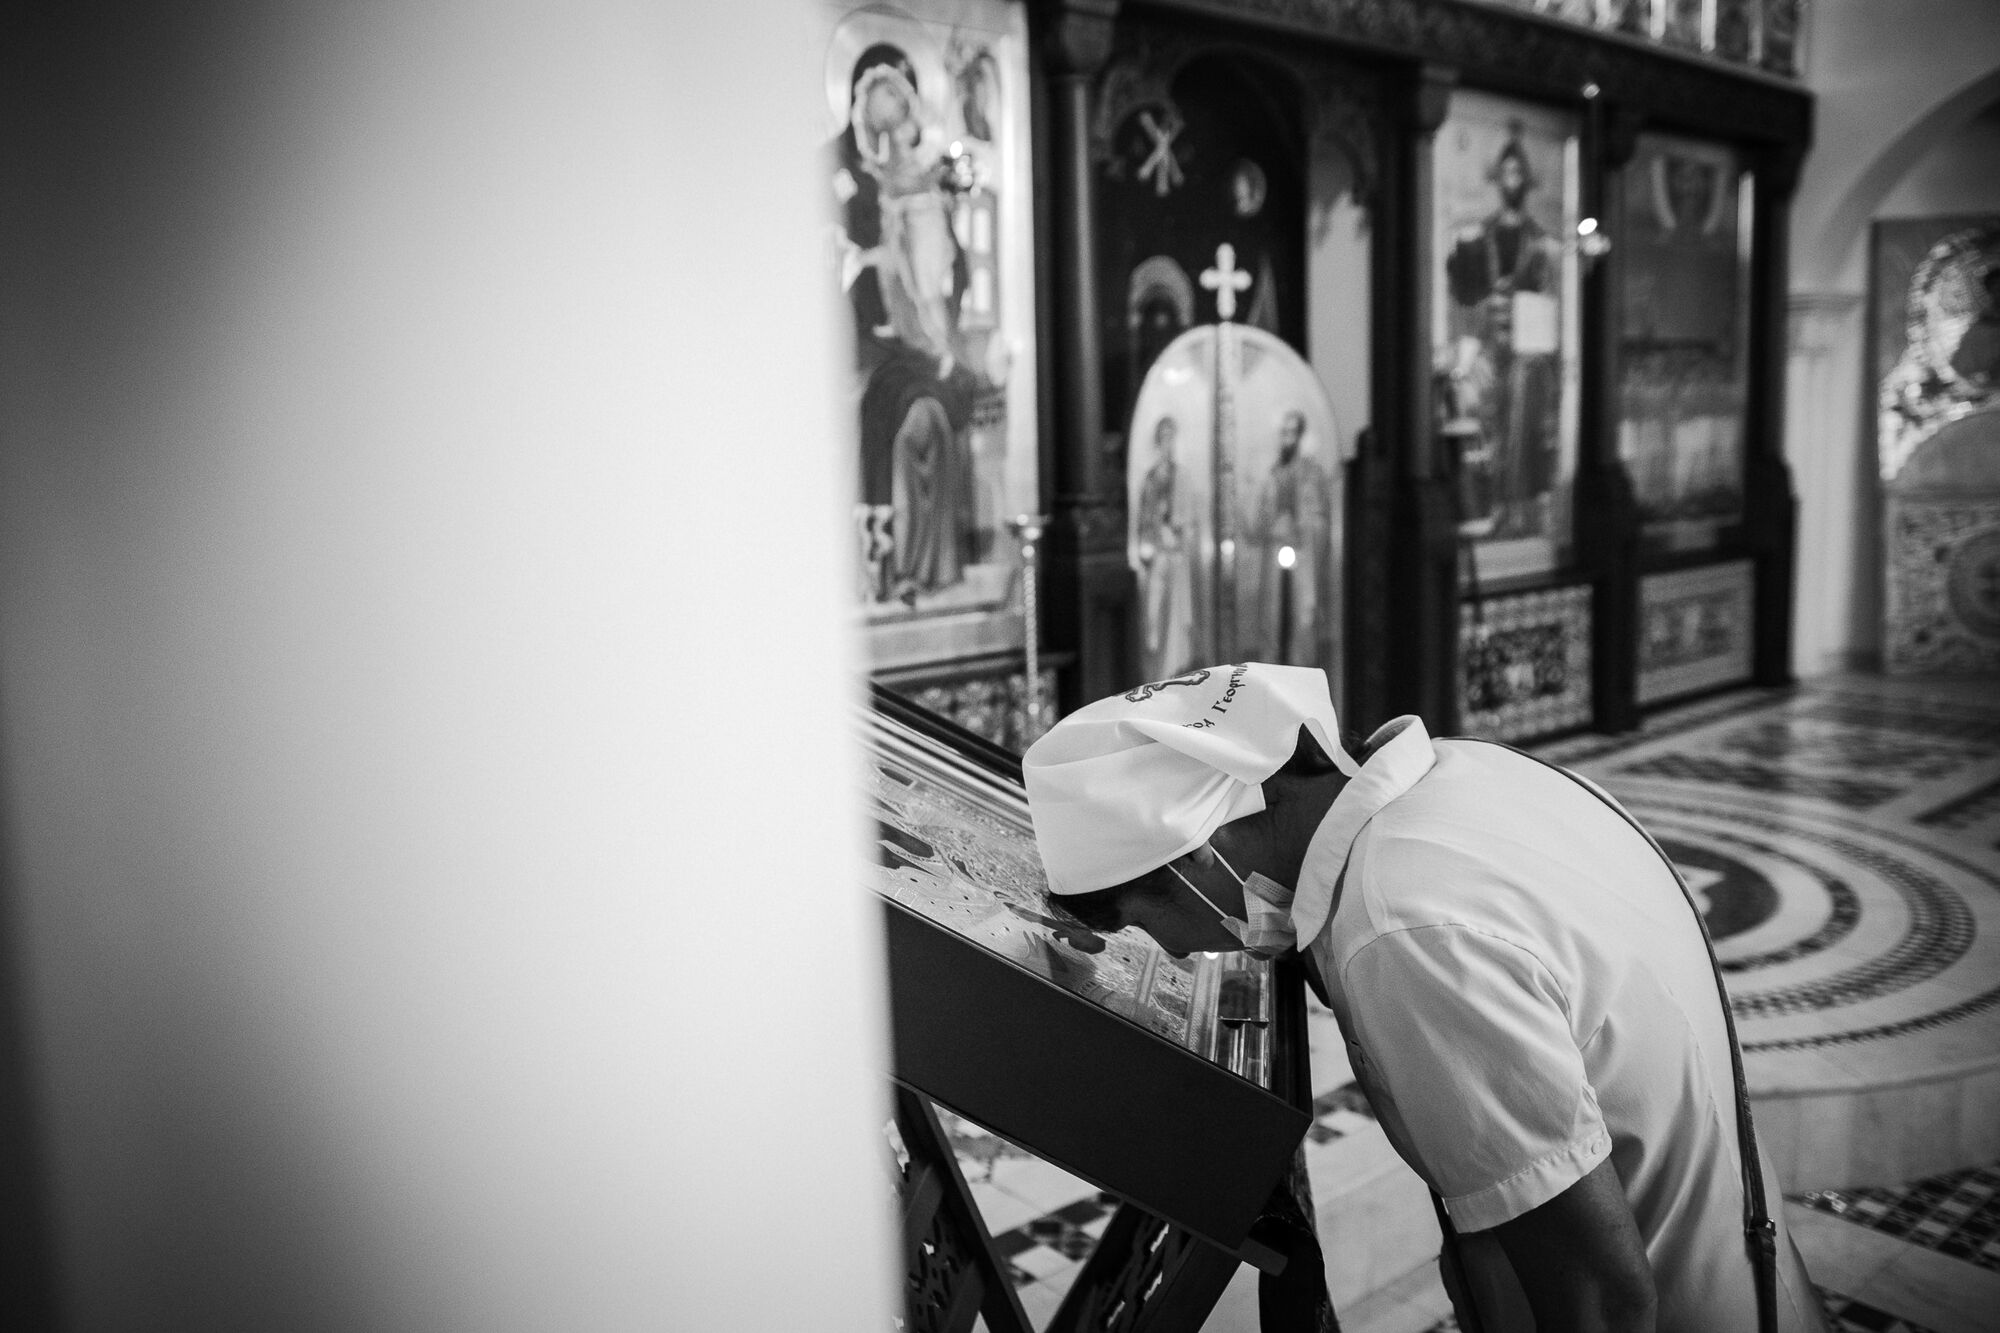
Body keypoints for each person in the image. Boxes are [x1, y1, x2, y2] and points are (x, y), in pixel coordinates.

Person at [1021, 663, 1827, 1333]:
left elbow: (1603, 1300)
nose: (1172, 952)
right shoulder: (1464, 772)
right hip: (1752, 1267)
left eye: (1143, 920)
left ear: (1197, 853)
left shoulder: (1401, 929)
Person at [1445, 124, 1561, 541]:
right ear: (1498, 179)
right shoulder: (1482, 236)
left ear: (1526, 181)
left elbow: (1548, 302)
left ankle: (1521, 511)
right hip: (1488, 348)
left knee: (1524, 424)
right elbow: (1466, 298)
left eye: (1518, 173)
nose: (1512, 180)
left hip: (1528, 354)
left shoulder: (1539, 242)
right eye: (1506, 172)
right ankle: (1490, 506)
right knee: (1484, 421)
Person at [1246, 411, 1332, 665]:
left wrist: (1302, 527)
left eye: (1292, 433)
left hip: (1303, 556)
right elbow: (1257, 523)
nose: (1287, 439)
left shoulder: (1313, 475)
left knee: (1302, 619)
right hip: (1275, 553)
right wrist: (1273, 526)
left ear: (1300, 436)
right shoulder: (1272, 476)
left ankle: (1301, 671)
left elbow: (1322, 519)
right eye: (1284, 433)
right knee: (1271, 618)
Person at [1132, 416, 1197, 680]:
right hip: (1156, 556)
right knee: (1153, 618)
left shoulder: (1181, 476)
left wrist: (1176, 529)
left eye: (1170, 438)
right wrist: (1147, 543)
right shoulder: (1150, 478)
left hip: (1175, 557)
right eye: (1162, 438)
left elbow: (1187, 519)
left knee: (1175, 619)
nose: (1166, 443)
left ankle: (1175, 671)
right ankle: (1155, 673)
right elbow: (1143, 520)